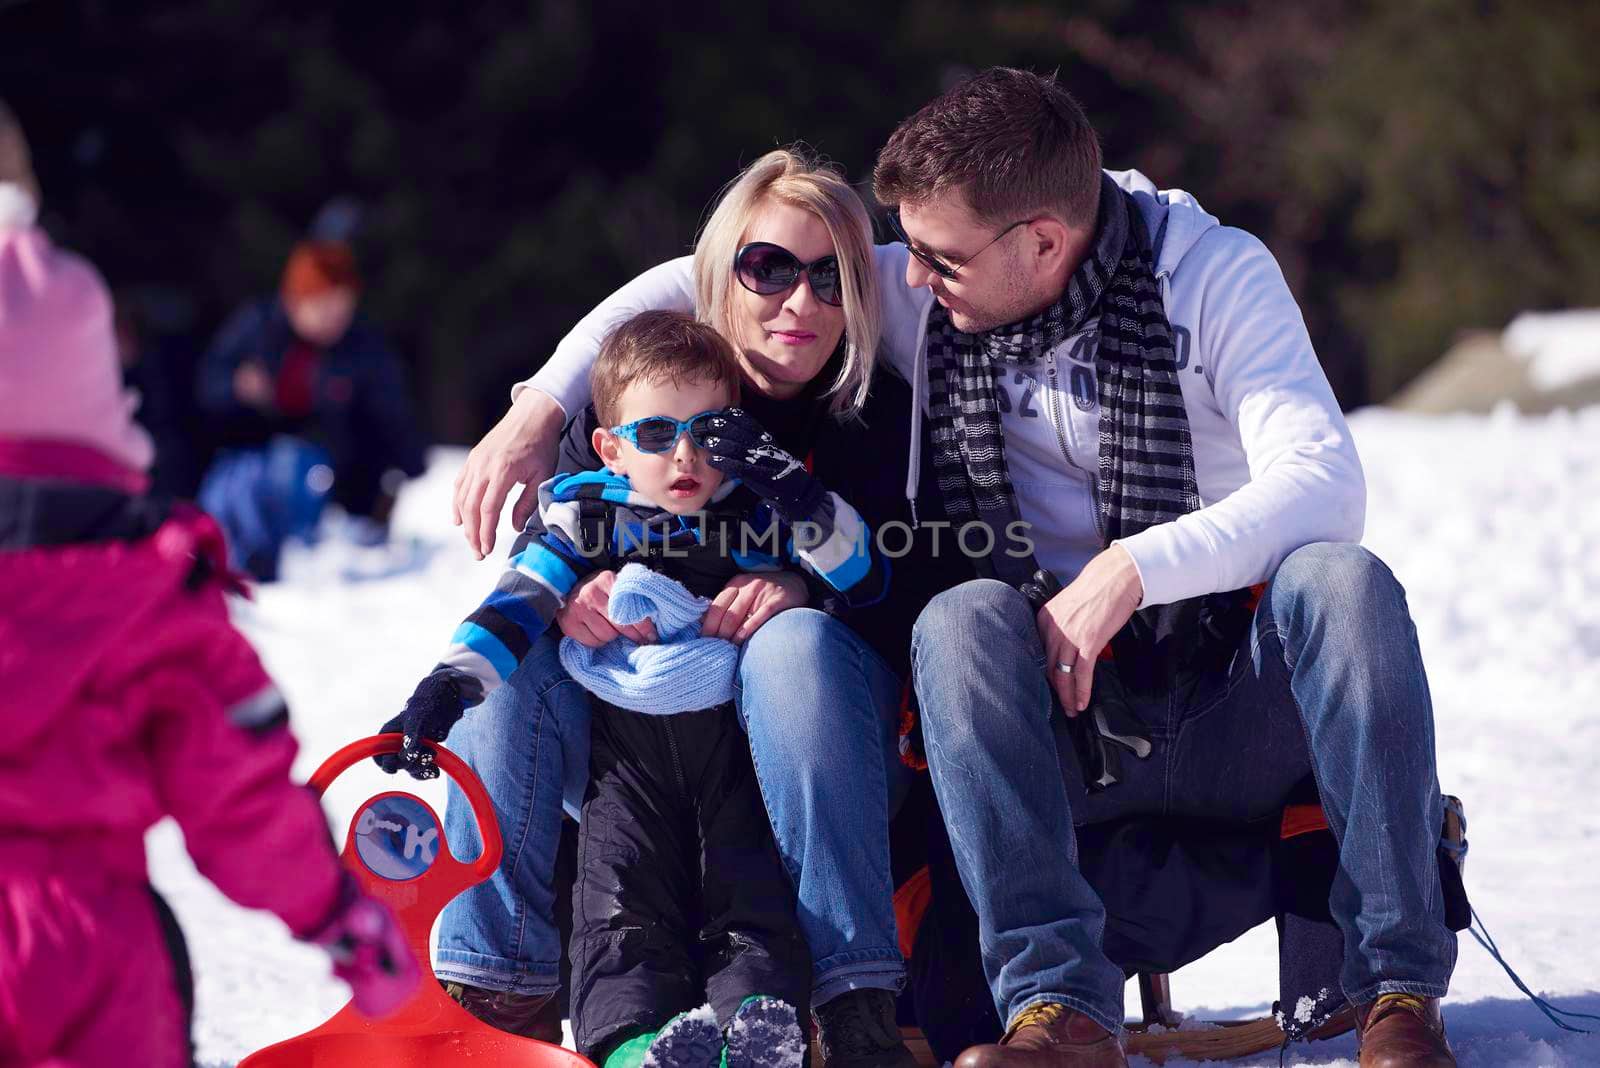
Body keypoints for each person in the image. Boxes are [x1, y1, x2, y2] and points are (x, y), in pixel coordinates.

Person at [457, 71, 1461, 1068]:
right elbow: (706, 274)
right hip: (1057, 703)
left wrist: (1130, 571)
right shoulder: (943, 285)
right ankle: (1054, 1014)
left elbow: (1325, 483)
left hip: (1220, 677)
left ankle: (1398, 992)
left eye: (933, 257)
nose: (910, 279)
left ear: (1041, 241)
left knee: (1339, 580)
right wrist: (543, 406)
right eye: (906, 253)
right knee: (966, 616)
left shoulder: (1210, 275)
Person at [420, 149, 958, 1068]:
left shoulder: (880, 414)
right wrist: (568, 595)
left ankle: (854, 997)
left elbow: (907, 584)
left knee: (790, 645)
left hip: (816, 746)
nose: (801, 303)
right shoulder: (651, 387)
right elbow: (556, 539)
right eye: (771, 269)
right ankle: (496, 989)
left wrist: (805, 586)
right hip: (638, 755)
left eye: (832, 279)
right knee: (518, 652)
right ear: (723, 274)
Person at [0, 98, 418, 1068]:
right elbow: (239, 798)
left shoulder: (354, 354)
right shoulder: (147, 601)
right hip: (92, 954)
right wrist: (339, 919)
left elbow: (385, 426)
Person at [387, 310, 899, 1068]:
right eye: (658, 435)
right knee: (619, 912)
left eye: (709, 433)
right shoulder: (587, 512)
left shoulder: (758, 508)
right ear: (611, 447)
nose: (685, 455)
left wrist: (789, 487)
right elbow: (516, 603)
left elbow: (865, 576)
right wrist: (445, 690)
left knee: (753, 907)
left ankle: (760, 1037)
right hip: (623, 771)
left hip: (737, 767)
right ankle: (634, 1049)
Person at [197, 239, 426, 579]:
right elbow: (206, 387)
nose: (333, 320)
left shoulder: (363, 351)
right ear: (295, 301)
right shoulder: (257, 328)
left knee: (295, 465)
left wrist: (403, 470)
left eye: (342, 309)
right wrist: (237, 387)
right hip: (245, 456)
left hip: (324, 478)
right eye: (323, 308)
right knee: (236, 486)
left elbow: (390, 418)